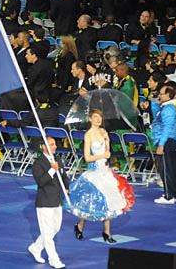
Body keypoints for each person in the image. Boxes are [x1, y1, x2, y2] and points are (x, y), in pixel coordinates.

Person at [65, 109, 134, 242]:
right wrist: (103, 155)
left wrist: (107, 144)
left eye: (100, 117)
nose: (98, 119)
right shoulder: (88, 135)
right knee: (89, 202)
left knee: (108, 201)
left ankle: (107, 232)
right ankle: (80, 226)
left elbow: (107, 152)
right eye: (95, 117)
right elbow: (87, 157)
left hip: (106, 171)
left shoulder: (104, 132)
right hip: (94, 172)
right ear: (90, 119)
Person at [28, 137, 69, 269]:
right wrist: (52, 170)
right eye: (51, 145)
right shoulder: (38, 164)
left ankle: (36, 247)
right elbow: (41, 182)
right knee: (47, 232)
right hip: (45, 201)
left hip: (57, 199)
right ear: (43, 147)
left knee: (54, 228)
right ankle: (54, 259)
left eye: (55, 144)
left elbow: (64, 176)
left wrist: (66, 187)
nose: (55, 147)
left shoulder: (59, 159)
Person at [151, 85, 176, 203]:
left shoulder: (169, 108)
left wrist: (161, 144)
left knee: (166, 169)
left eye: (161, 93)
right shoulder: (165, 106)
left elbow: (167, 127)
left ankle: (169, 195)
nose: (159, 95)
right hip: (164, 139)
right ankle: (172, 193)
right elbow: (156, 118)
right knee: (167, 168)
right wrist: (155, 103)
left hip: (166, 141)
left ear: (168, 95)